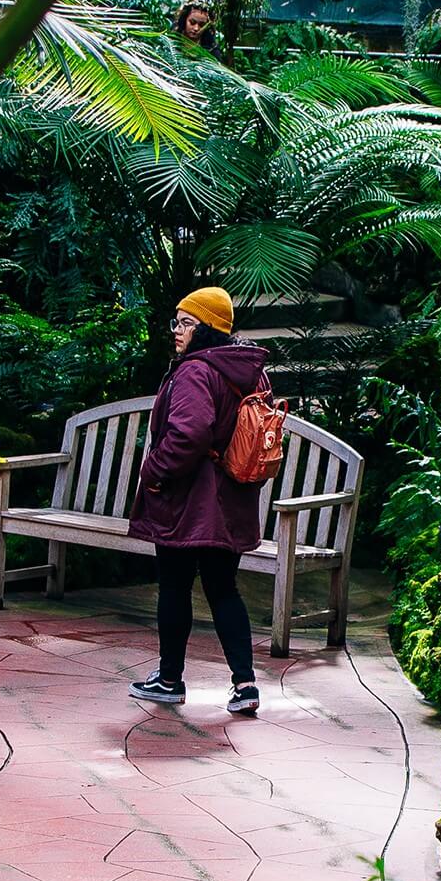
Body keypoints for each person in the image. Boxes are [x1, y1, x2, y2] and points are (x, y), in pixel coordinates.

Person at [127, 287, 269, 716]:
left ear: (207, 328)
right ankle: (245, 685)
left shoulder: (195, 372)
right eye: (177, 321)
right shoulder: (249, 372)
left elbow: (189, 434)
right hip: (231, 500)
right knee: (224, 589)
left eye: (186, 322)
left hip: (189, 502)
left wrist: (153, 473)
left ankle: (169, 680)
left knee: (174, 586)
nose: (177, 331)